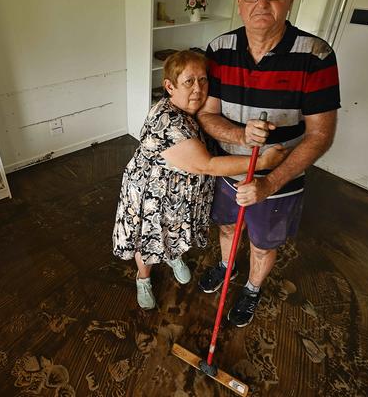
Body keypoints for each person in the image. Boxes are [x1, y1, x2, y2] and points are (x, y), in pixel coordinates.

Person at [196, 0, 340, 327]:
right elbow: (208, 115)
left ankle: (252, 289)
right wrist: (240, 136)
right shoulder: (219, 48)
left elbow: (320, 134)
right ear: (240, 1)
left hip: (279, 181)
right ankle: (227, 267)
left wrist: (269, 183)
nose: (263, 3)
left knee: (263, 243)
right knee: (227, 228)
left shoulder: (316, 55)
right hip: (228, 169)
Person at [113, 50, 288, 310]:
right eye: (188, 82)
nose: (198, 89)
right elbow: (207, 164)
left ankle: (172, 257)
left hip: (179, 195)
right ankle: (144, 278)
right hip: (152, 196)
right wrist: (262, 163)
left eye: (203, 80)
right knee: (149, 237)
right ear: (169, 86)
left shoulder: (191, 111)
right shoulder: (167, 120)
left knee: (173, 231)